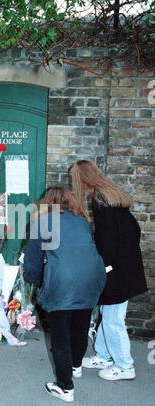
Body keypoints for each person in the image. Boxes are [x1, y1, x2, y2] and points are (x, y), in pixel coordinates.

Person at [24, 187, 106, 402]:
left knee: (59, 335)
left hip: (63, 281)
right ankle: (75, 366)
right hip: (92, 278)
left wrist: (38, 281)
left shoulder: (43, 221)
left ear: (46, 202)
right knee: (80, 324)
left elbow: (32, 259)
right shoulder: (81, 221)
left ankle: (65, 387)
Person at [71, 160, 148, 381]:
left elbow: (105, 241)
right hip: (125, 266)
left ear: (83, 179)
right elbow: (135, 230)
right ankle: (104, 355)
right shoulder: (112, 195)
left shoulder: (100, 200)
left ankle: (125, 366)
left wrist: (103, 267)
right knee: (108, 314)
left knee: (114, 319)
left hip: (116, 271)